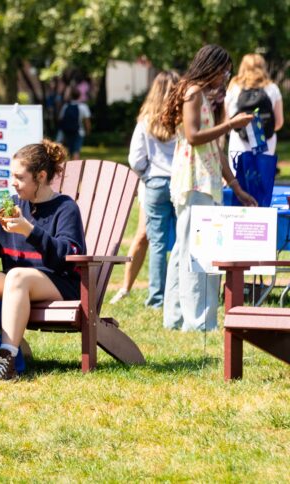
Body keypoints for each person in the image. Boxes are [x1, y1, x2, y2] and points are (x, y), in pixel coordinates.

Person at [0, 141, 86, 384]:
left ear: (41, 176)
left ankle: (7, 363)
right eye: (12, 176)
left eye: (19, 177)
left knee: (17, 276)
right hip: (18, 284)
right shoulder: (14, 206)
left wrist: (29, 231)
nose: (13, 182)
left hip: (60, 283)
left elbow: (66, 255)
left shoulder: (65, 208)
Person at [161, 45, 256, 332]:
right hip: (194, 179)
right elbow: (194, 136)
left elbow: (214, 149)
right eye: (224, 70)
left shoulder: (204, 96)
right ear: (211, 67)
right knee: (198, 251)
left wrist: (236, 187)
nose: (226, 76)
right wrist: (231, 124)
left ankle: (175, 317)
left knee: (184, 248)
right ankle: (198, 322)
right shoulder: (192, 93)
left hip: (205, 179)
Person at [113, 71, 180, 308]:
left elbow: (135, 159)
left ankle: (157, 298)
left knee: (157, 244)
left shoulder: (146, 121)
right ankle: (179, 293)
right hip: (180, 182)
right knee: (182, 240)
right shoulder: (182, 119)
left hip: (155, 183)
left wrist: (147, 174)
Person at [225, 53, 283, 157]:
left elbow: (225, 119)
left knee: (239, 168)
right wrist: (259, 132)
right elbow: (279, 122)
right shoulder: (272, 88)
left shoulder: (234, 87)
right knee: (264, 168)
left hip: (239, 142)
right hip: (266, 142)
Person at [57, 87, 92, 160]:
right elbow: (87, 121)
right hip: (78, 131)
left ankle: (71, 165)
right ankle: (76, 166)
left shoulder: (66, 106)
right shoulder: (83, 106)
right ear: (79, 95)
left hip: (67, 131)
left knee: (70, 150)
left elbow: (60, 119)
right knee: (76, 151)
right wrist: (88, 131)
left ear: (71, 96)